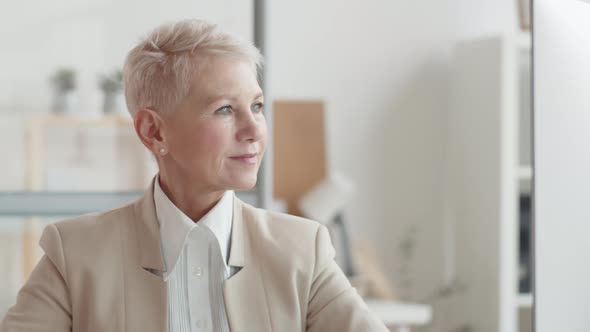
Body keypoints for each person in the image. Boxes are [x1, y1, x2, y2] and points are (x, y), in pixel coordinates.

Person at [0, 19, 387, 332]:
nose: (254, 129)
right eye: (224, 109)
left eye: (256, 105)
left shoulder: (304, 250)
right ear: (154, 131)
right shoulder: (75, 254)